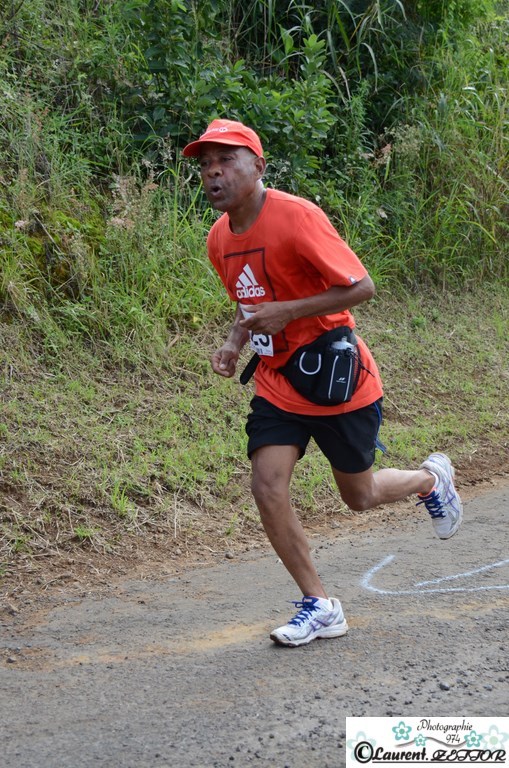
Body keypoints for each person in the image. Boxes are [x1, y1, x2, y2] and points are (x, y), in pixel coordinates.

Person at [182, 118, 463, 648]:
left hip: (336, 379)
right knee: (266, 485)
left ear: (258, 166)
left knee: (360, 495)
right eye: (205, 164)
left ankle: (429, 480)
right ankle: (320, 604)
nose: (213, 172)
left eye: (225, 160)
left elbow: (361, 286)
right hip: (277, 382)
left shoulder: (296, 217)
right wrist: (234, 342)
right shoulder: (219, 238)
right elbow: (248, 302)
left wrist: (289, 312)